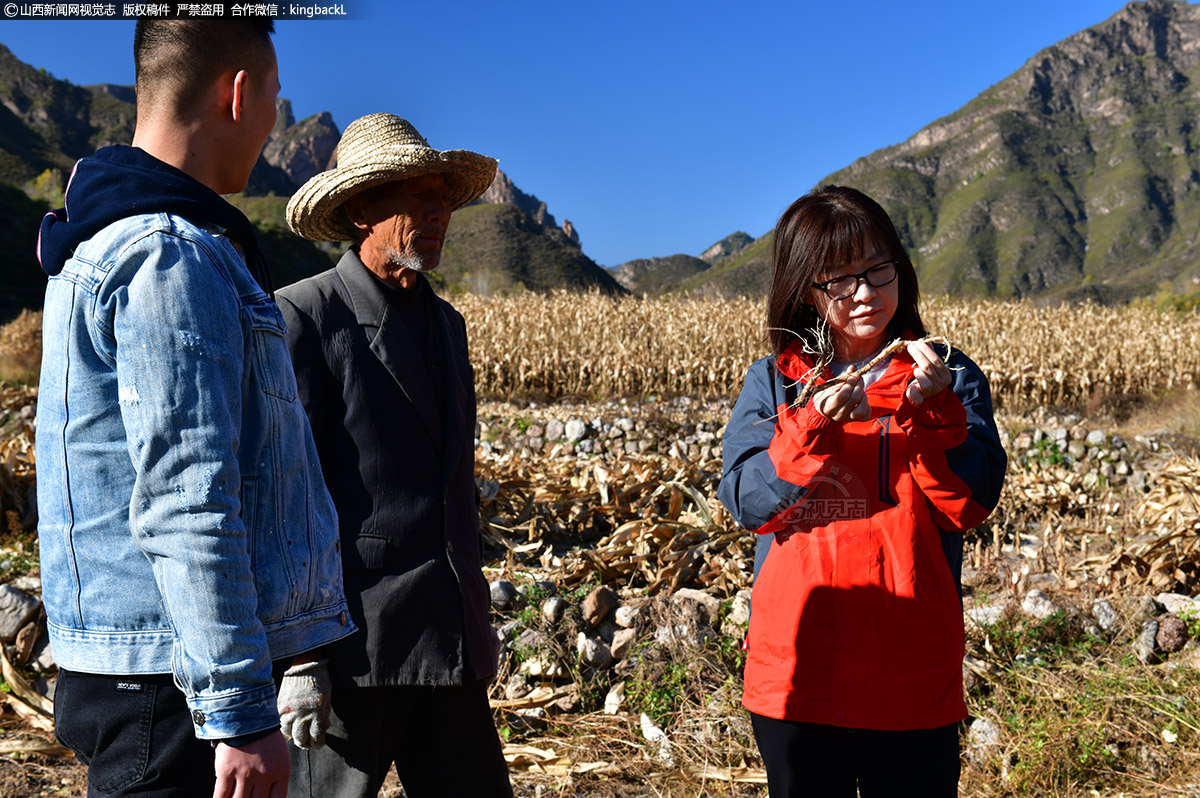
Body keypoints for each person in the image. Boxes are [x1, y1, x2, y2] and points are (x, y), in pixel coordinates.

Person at [35, 19, 355, 798]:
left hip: (150, 668)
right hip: (170, 685)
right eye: (274, 98)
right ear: (238, 93)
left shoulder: (109, 239)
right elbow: (188, 495)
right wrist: (240, 714)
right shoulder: (168, 255)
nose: (275, 121)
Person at [717, 185, 1007, 797]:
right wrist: (810, 429)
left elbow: (970, 504)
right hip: (797, 673)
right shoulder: (774, 382)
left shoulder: (949, 375)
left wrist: (935, 415)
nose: (867, 293)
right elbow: (745, 500)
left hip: (911, 671)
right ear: (804, 288)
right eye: (840, 280)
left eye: (879, 269)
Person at [276, 113, 512, 798]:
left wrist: (476, 618)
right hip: (353, 649)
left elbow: (451, 489)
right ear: (359, 210)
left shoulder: (446, 324)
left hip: (446, 639)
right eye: (417, 196)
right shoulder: (305, 317)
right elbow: (286, 498)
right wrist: (301, 654)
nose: (440, 212)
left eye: (444, 197)